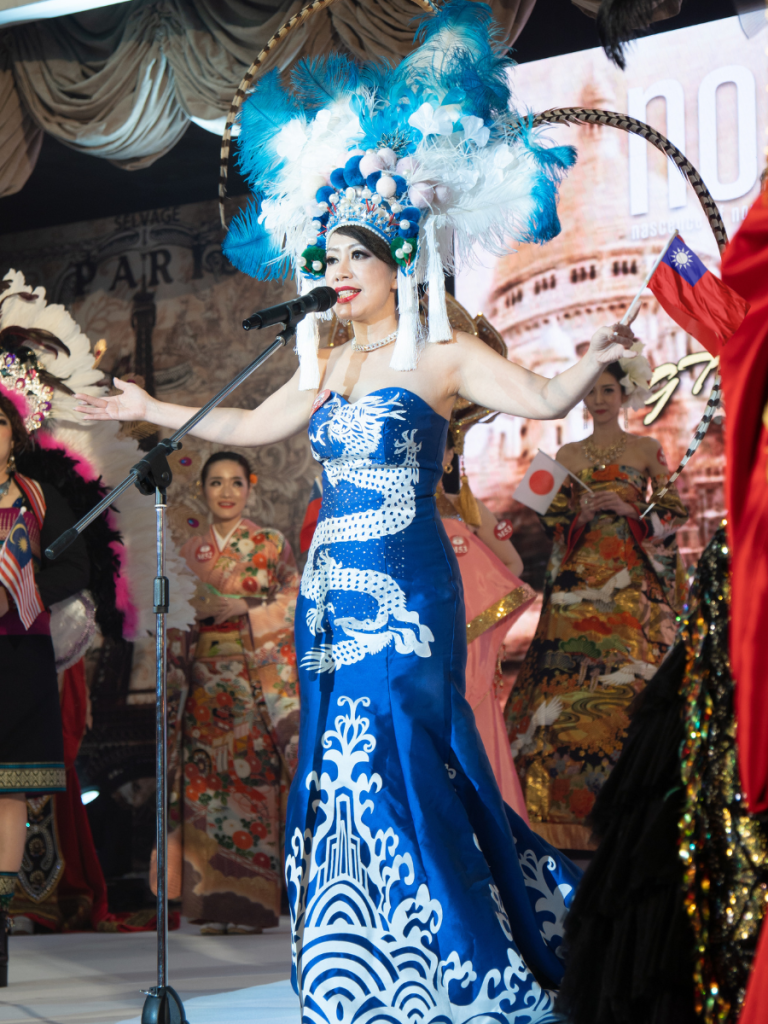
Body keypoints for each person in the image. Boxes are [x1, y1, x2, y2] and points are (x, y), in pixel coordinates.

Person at [76, 3, 638, 1017]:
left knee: (404, 748)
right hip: (330, 592)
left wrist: (590, 357)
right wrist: (149, 409)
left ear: (398, 260)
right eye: (327, 260)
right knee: (336, 756)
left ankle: (457, 961)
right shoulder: (328, 358)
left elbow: (543, 399)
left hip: (409, 588)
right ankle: (357, 960)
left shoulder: (443, 355)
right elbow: (253, 425)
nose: (334, 275)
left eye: (353, 259)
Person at [505, 361, 688, 856]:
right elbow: (540, 516)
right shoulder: (564, 454)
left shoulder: (646, 449)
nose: (600, 400)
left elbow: (675, 512)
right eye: (592, 392)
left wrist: (635, 512)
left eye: (608, 390)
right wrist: (575, 514)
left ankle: (632, 815)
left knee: (630, 687)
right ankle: (557, 821)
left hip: (629, 590)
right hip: (573, 590)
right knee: (564, 689)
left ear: (624, 393)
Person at [174, 450, 300, 934]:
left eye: (235, 483)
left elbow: (295, 598)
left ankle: (249, 907)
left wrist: (246, 607)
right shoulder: (189, 551)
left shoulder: (270, 543)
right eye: (215, 483)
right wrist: (191, 615)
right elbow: (171, 619)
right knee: (204, 789)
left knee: (252, 785)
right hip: (203, 686)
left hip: (252, 684)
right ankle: (210, 904)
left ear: (251, 486)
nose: (226, 492)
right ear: (201, 490)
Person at [0, 393, 90, 984]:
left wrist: (19, 590)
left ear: (15, 435)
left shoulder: (38, 497)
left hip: (19, 657)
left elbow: (76, 567)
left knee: (8, 791)